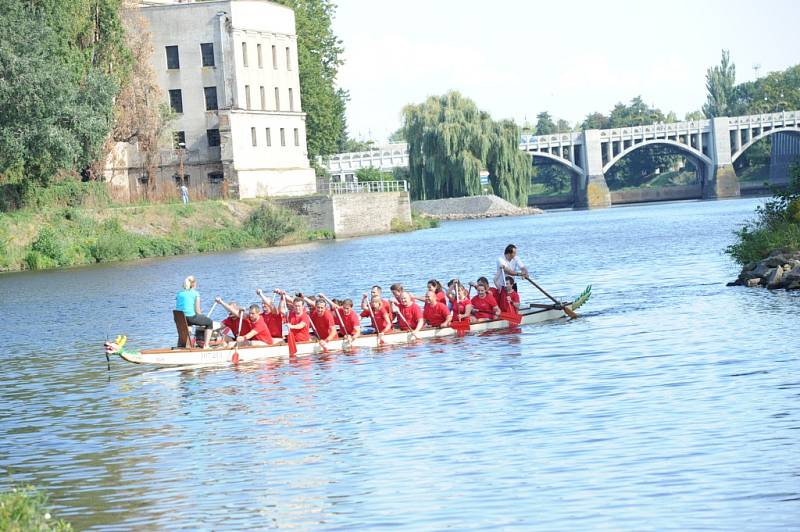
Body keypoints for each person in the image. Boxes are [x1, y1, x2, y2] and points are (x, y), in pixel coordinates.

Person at [176, 275, 213, 348]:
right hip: (190, 317)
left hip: (179, 318)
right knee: (209, 322)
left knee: (188, 325)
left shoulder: (179, 293)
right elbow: (198, 311)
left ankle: (183, 346)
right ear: (193, 284)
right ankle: (206, 345)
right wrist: (203, 317)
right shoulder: (195, 293)